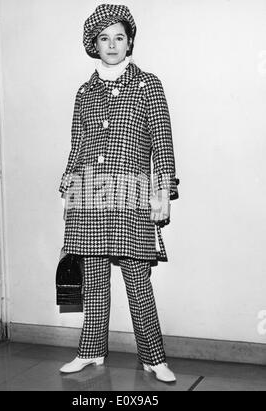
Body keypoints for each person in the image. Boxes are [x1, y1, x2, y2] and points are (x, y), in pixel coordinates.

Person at [58, 4, 179, 383]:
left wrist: (162, 190)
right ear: (94, 44)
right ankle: (91, 351)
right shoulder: (84, 91)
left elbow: (162, 141)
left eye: (119, 37)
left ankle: (153, 357)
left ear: (130, 42)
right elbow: (77, 145)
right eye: (104, 38)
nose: (112, 44)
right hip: (88, 192)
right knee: (93, 277)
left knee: (137, 277)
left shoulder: (148, 84)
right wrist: (67, 189)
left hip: (131, 192)